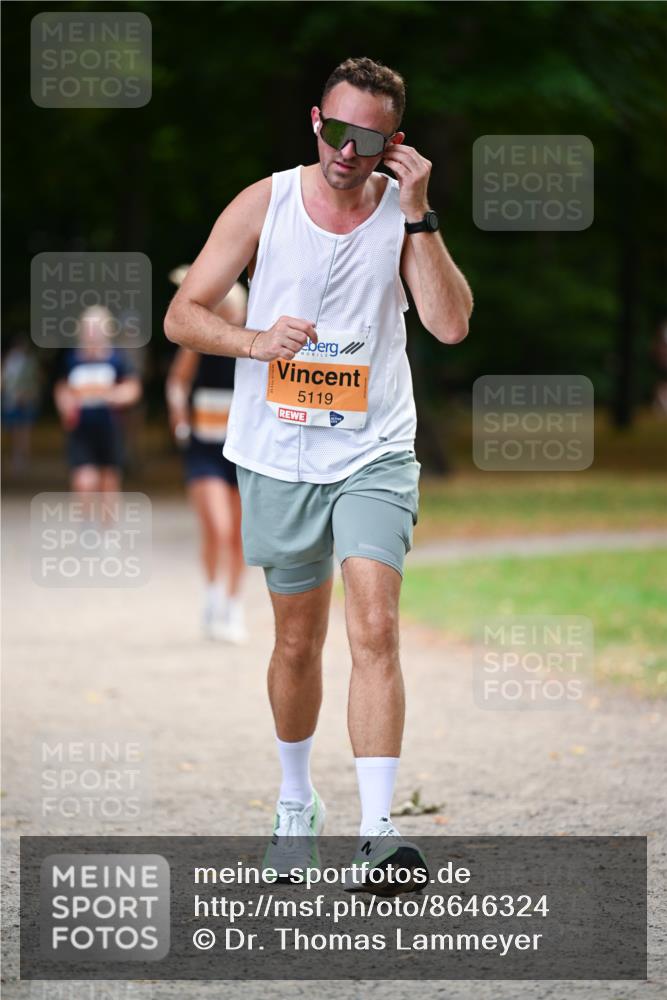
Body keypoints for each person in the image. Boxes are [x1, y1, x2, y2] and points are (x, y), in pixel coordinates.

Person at [164, 56, 472, 893]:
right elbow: (183, 314)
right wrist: (253, 342)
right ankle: (296, 803)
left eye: (368, 138)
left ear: (393, 144)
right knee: (297, 643)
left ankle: (378, 834)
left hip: (374, 449)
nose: (347, 150)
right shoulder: (264, 203)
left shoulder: (404, 216)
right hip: (279, 453)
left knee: (374, 625)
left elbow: (448, 325)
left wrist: (419, 214)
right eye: (336, 130)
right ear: (315, 121)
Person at [166, 272, 248, 642]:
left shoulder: (255, 343)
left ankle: (233, 604)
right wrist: (180, 416)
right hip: (205, 448)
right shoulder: (200, 344)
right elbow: (177, 382)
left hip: (242, 451)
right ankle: (213, 595)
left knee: (240, 535)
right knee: (218, 527)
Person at [54, 305, 141, 497]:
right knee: (84, 481)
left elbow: (133, 388)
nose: (92, 333)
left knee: (108, 483)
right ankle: (86, 516)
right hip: (81, 429)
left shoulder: (118, 359)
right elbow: (62, 388)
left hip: (110, 428)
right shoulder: (71, 359)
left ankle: (106, 517)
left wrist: (113, 396)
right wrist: (65, 405)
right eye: (88, 328)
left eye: (97, 327)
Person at [1, 334, 41, 475]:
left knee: (24, 429)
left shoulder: (29, 362)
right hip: (12, 400)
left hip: (25, 399)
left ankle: (23, 458)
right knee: (16, 429)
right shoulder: (9, 361)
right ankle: (17, 456)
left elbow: (34, 380)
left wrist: (28, 394)